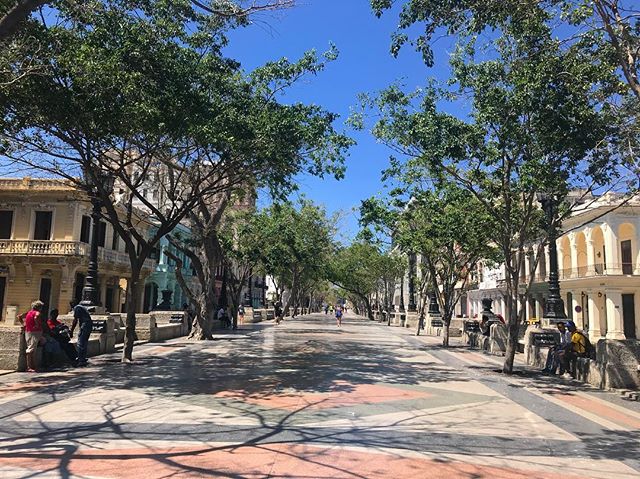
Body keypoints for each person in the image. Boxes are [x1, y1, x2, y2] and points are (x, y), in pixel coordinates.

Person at [19, 300, 45, 372]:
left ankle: (33, 365)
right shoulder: (37, 313)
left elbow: (19, 316)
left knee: (33, 348)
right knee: (31, 349)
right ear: (39, 307)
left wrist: (23, 324)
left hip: (28, 331)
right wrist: (36, 324)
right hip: (35, 332)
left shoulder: (29, 313)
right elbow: (36, 317)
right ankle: (29, 366)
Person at [70, 302, 94, 367]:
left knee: (80, 342)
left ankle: (81, 360)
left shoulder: (77, 308)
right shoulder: (82, 307)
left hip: (85, 326)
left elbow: (75, 320)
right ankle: (83, 358)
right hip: (89, 325)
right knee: (84, 342)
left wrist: (71, 330)